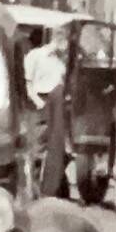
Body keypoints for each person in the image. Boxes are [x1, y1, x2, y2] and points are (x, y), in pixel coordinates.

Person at [24, 25, 71, 198]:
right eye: (58, 33)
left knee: (62, 149)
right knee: (38, 150)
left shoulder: (67, 59)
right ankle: (35, 191)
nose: (62, 37)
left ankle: (56, 188)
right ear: (52, 35)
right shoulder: (35, 56)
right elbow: (27, 82)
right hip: (41, 103)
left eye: (64, 33)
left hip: (62, 106)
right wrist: (38, 102)